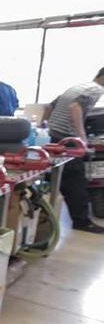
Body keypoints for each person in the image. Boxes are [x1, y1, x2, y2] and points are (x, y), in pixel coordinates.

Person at [45, 67, 104, 234]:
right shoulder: (95, 90)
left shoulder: (78, 87)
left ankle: (52, 219)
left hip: (55, 138)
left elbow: (49, 107)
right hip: (69, 140)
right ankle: (82, 222)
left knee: (62, 179)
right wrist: (82, 137)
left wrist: (46, 125)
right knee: (76, 181)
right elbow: (75, 107)